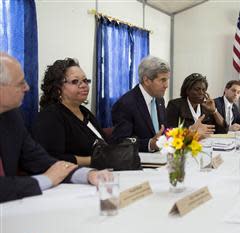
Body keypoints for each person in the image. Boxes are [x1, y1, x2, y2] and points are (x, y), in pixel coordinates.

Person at [0, 52, 109, 202]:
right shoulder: (50, 116)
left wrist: (87, 175)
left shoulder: (12, 117)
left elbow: (40, 160)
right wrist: (47, 179)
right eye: (20, 83)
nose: (27, 88)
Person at [32, 58, 106, 166]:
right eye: (75, 81)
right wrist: (94, 160)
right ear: (58, 88)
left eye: (85, 81)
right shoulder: (50, 116)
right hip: (71, 178)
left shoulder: (84, 111)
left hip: (102, 171)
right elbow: (52, 158)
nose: (84, 85)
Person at [111, 55, 169, 152]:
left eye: (167, 80)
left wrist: (186, 133)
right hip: (138, 163)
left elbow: (163, 131)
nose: (166, 85)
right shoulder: (125, 104)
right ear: (146, 80)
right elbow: (120, 142)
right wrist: (150, 144)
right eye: (162, 80)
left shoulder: (159, 100)